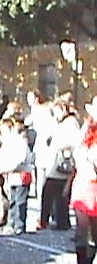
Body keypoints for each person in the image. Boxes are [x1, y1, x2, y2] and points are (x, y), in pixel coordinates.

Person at [38, 97, 81, 230]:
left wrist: (57, 144)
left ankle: (55, 222)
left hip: (62, 164)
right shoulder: (61, 123)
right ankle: (56, 221)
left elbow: (74, 141)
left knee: (55, 193)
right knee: (55, 194)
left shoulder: (71, 122)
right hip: (55, 163)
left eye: (57, 111)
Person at [69, 96, 97, 264]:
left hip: (91, 186)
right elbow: (77, 153)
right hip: (85, 185)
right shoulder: (84, 136)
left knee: (94, 232)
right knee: (82, 228)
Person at [0, 118, 33, 235]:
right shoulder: (7, 143)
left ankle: (20, 225)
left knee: (20, 201)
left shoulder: (20, 141)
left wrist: (6, 168)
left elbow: (21, 159)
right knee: (12, 201)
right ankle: (11, 223)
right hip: (12, 176)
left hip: (21, 175)